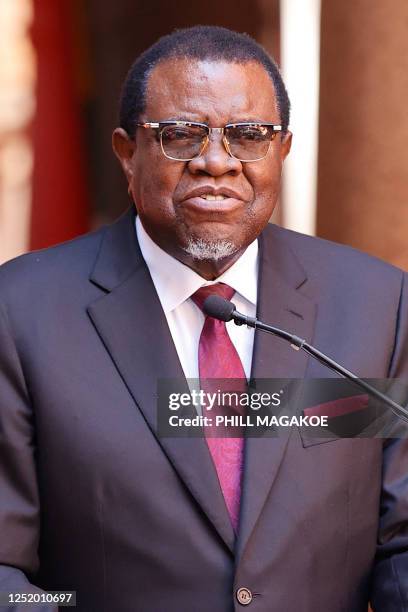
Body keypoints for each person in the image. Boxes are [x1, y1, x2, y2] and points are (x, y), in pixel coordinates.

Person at [0, 25, 407, 612]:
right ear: (125, 153)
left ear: (282, 151)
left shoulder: (378, 307)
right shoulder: (22, 313)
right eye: (181, 136)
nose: (217, 163)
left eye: (248, 136)